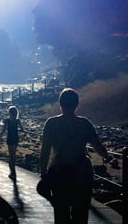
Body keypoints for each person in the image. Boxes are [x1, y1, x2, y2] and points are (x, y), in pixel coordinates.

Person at [38, 88, 112, 224]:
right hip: (82, 174)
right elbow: (98, 147)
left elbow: (45, 151)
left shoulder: (51, 123)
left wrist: (43, 172)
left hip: (59, 174)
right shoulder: (84, 123)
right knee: (81, 215)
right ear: (77, 104)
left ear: (60, 104)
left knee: (61, 214)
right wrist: (107, 157)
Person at [0, 105, 23, 180]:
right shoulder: (17, 121)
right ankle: (13, 171)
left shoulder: (7, 120)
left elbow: (4, 131)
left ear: (9, 113)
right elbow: (22, 129)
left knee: (11, 155)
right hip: (15, 138)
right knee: (14, 154)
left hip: (10, 138)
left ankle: (12, 171)